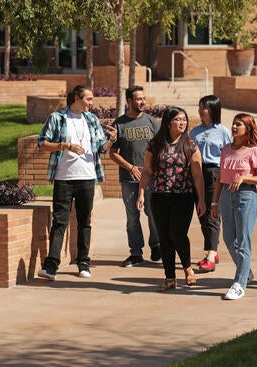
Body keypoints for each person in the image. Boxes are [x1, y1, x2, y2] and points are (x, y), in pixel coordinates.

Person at [37, 85, 117, 280]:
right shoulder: (57, 118)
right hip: (64, 178)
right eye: (88, 99)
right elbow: (42, 144)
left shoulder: (92, 119)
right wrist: (65, 146)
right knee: (59, 222)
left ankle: (83, 263)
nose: (91, 102)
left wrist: (111, 141)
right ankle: (51, 267)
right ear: (77, 98)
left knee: (84, 222)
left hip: (87, 177)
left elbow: (101, 149)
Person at [136, 107, 205, 292]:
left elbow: (198, 175)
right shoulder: (155, 144)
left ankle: (187, 267)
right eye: (178, 119)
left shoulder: (190, 144)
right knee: (164, 237)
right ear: (168, 122)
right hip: (159, 196)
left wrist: (201, 200)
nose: (182, 122)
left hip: (183, 196)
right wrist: (141, 193)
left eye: (184, 119)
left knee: (177, 234)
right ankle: (169, 277)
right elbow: (147, 171)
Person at [211, 114, 257, 300]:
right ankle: (246, 271)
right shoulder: (226, 149)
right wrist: (214, 202)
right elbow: (219, 177)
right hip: (226, 194)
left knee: (243, 241)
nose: (234, 127)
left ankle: (239, 283)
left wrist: (244, 178)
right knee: (228, 238)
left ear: (248, 128)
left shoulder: (254, 150)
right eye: (234, 123)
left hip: (246, 195)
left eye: (239, 124)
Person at [109, 85, 161, 267]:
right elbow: (112, 153)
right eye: (138, 99)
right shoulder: (120, 123)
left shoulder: (152, 122)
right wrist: (130, 167)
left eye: (143, 98)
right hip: (128, 179)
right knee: (132, 217)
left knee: (153, 213)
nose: (142, 102)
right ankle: (136, 253)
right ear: (129, 101)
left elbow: (162, 148)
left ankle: (156, 244)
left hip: (151, 178)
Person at [190, 95, 232, 272]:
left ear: (213, 110)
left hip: (214, 173)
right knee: (201, 213)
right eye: (199, 107)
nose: (200, 110)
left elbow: (229, 155)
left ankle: (211, 254)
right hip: (196, 173)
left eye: (204, 107)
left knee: (212, 214)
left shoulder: (223, 131)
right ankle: (212, 251)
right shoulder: (194, 131)